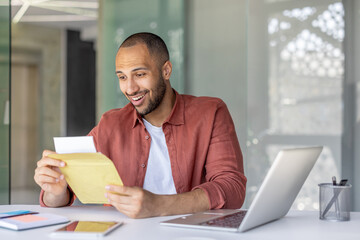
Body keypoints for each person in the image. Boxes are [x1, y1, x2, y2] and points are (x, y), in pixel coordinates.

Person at [34, 32, 246, 218]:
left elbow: (231, 188)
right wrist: (56, 191)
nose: (130, 88)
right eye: (122, 77)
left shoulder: (210, 112)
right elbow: (63, 195)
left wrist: (159, 205)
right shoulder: (110, 124)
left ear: (166, 70)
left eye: (140, 74)